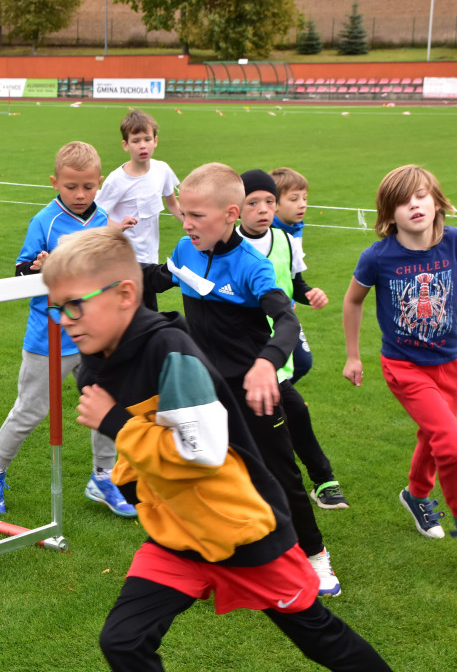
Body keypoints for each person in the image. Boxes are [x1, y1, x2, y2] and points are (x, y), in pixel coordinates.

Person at [44, 227, 391, 672]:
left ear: (126, 294)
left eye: (75, 305)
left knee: (321, 638)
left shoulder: (170, 352)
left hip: (242, 531)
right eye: (57, 309)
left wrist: (116, 423)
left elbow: (203, 453)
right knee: (123, 641)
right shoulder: (94, 365)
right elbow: (142, 453)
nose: (65, 320)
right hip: (178, 534)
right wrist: (133, 485)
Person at [157, 163, 341, 596]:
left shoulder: (251, 266)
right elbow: (155, 277)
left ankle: (314, 556)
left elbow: (287, 321)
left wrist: (266, 363)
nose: (186, 224)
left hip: (254, 392)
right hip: (204, 392)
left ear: (229, 214)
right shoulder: (185, 249)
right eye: (184, 214)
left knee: (279, 476)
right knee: (205, 473)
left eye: (197, 216)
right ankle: (219, 553)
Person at [343, 164, 457, 564]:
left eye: (420, 196)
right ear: (389, 214)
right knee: (455, 447)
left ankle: (415, 495)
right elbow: (353, 300)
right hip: (404, 367)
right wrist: (352, 355)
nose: (413, 205)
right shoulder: (377, 256)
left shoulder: (455, 242)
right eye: (402, 202)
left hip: (451, 362)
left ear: (436, 201)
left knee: (434, 436)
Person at [0, 141, 136, 518]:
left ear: (99, 183)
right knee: (32, 410)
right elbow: (20, 271)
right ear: (55, 182)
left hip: (93, 335)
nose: (80, 195)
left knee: (108, 402)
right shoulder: (43, 221)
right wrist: (37, 266)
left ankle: (103, 476)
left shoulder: (102, 220)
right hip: (48, 336)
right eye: (70, 187)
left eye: (88, 187)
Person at [237, 170, 349, 510]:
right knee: (291, 409)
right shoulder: (229, 244)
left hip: (279, 343)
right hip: (245, 347)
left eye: (269, 202)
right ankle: (322, 480)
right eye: (253, 202)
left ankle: (319, 481)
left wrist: (308, 292)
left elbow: (294, 282)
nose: (262, 209)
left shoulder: (285, 241)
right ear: (236, 208)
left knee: (287, 409)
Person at [96, 109, 182, 311]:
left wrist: (193, 223)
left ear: (155, 141)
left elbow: (173, 205)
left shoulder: (162, 170)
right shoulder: (117, 180)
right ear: (125, 145)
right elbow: (95, 215)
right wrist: (118, 226)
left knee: (149, 316)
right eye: (135, 140)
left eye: (147, 139)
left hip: (150, 260)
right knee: (126, 318)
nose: (143, 145)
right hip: (123, 262)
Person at [272, 167, 314, 382]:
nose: (303, 204)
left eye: (305, 198)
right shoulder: (266, 235)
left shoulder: (294, 231)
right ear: (275, 204)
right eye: (294, 198)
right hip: (266, 314)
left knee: (302, 362)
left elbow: (295, 279)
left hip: (284, 311)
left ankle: (275, 403)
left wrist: (310, 294)